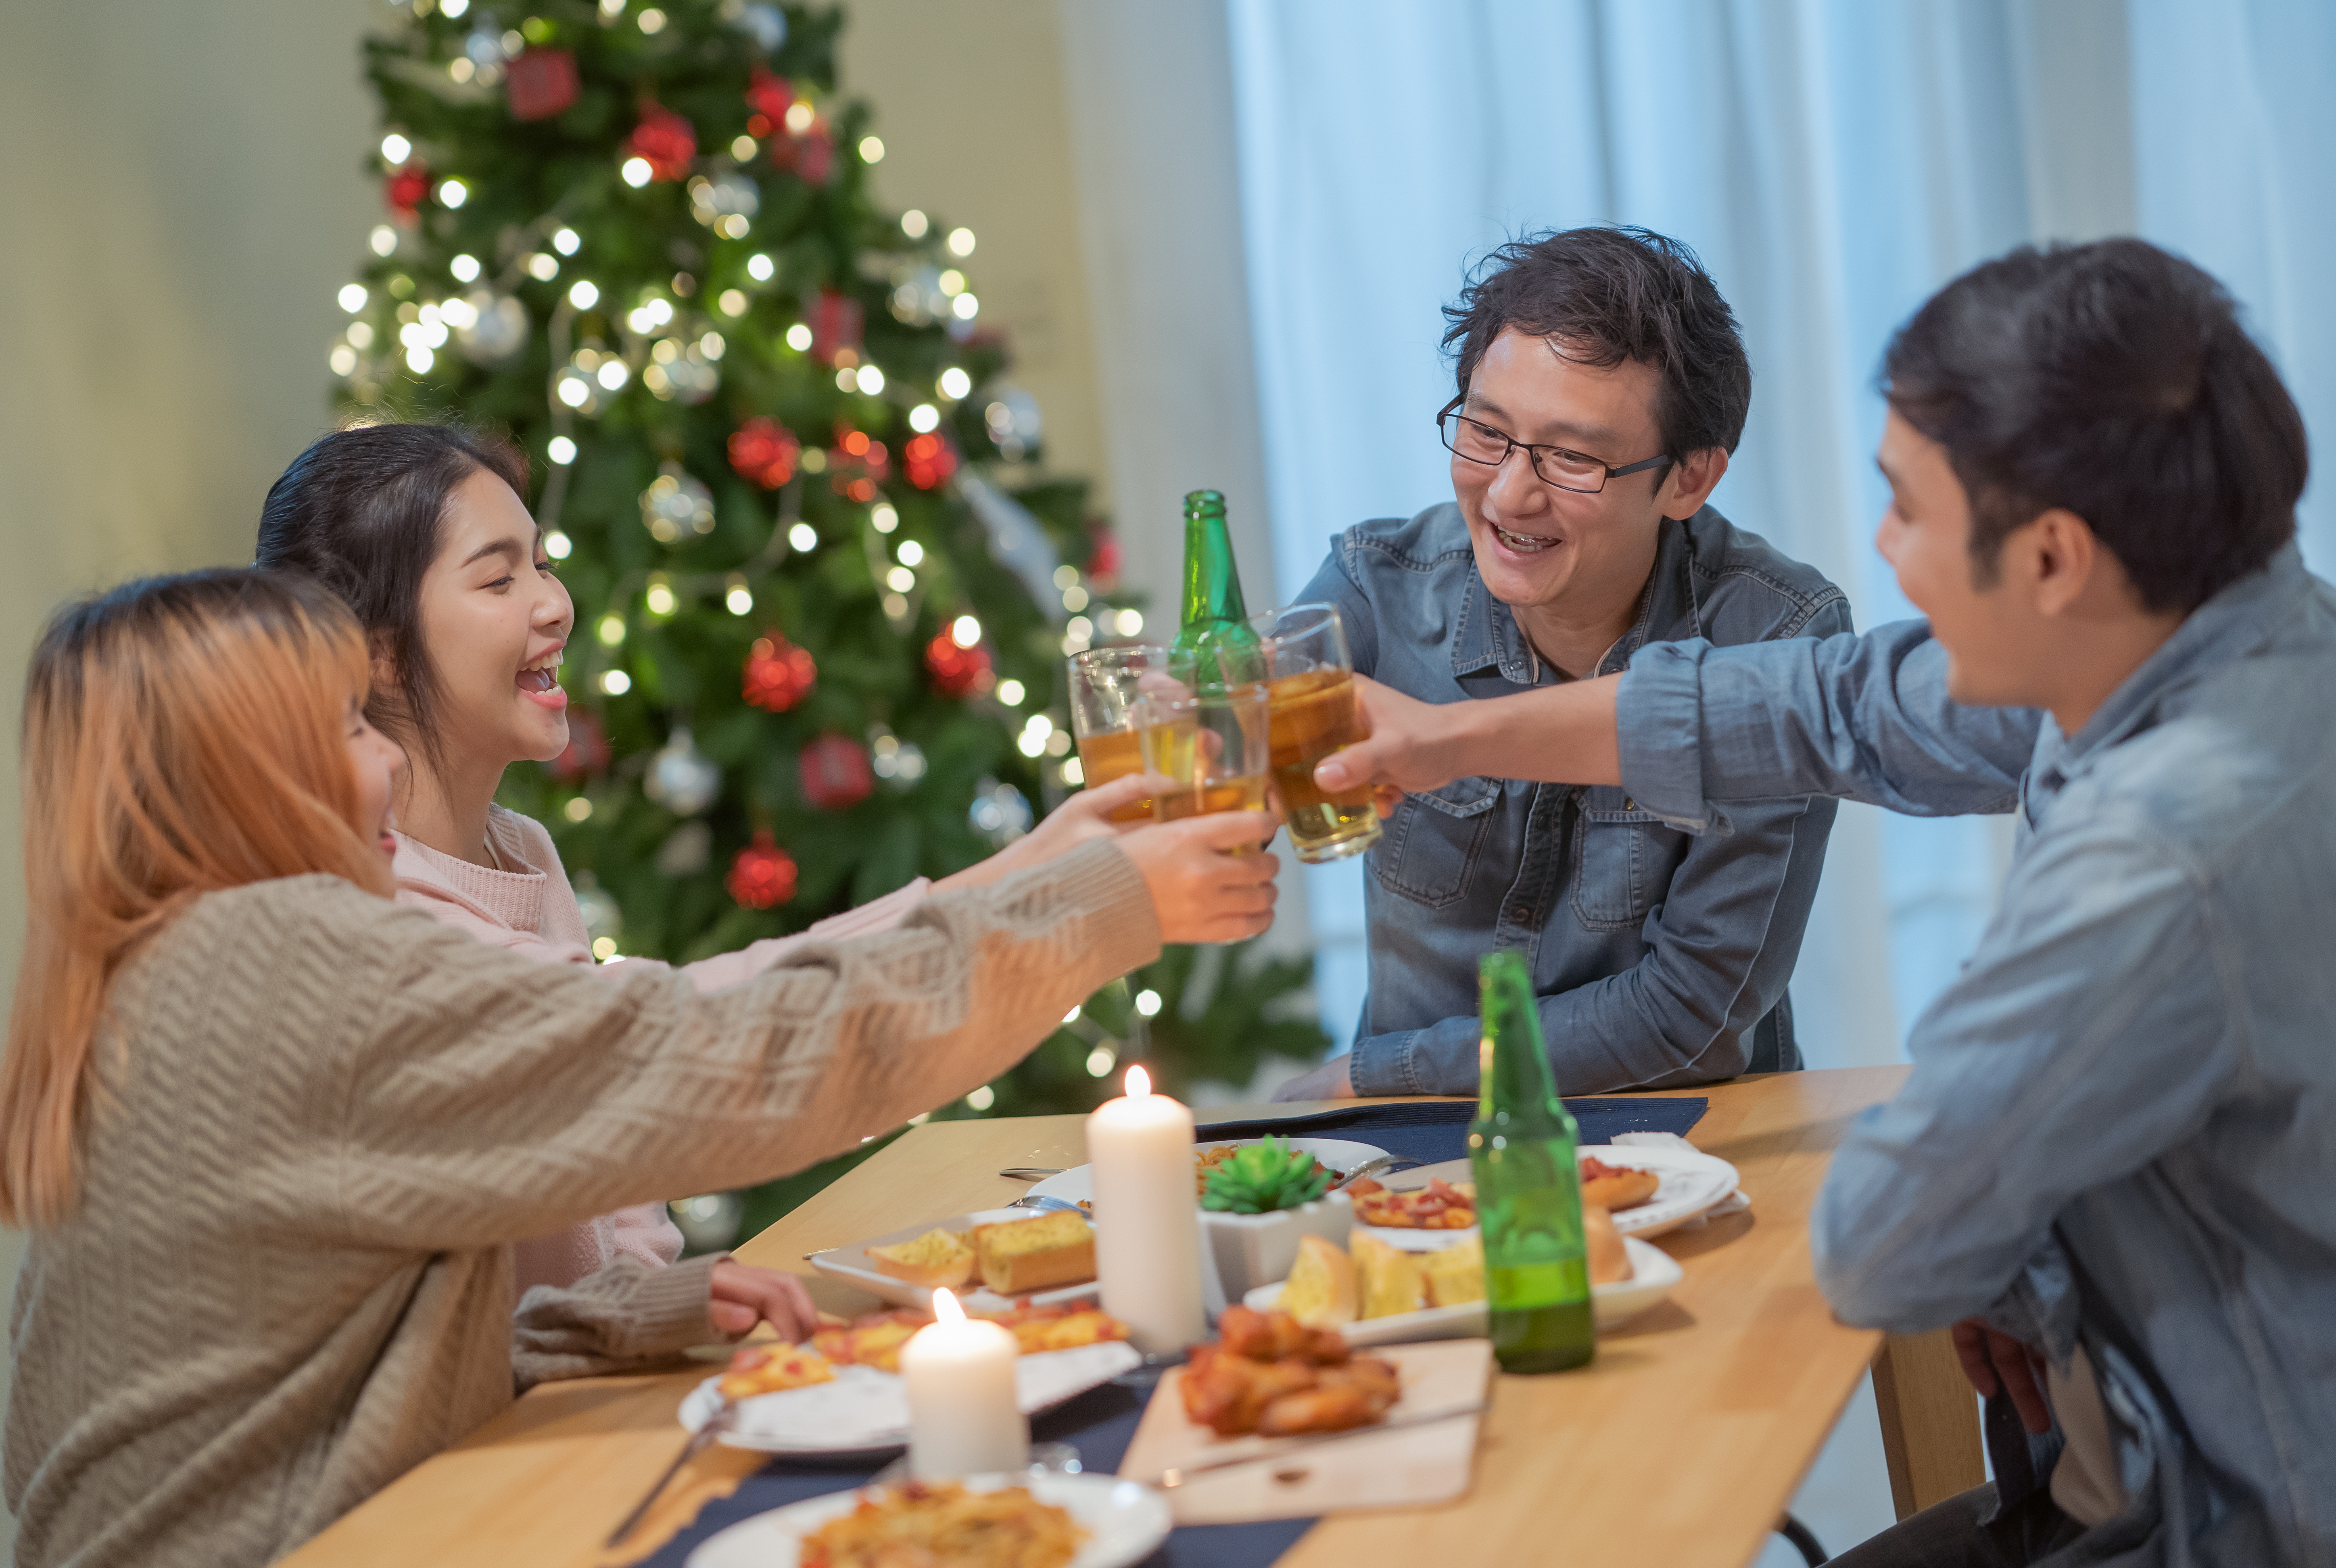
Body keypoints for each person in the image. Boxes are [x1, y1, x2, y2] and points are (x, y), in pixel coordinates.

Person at [1312, 239, 2336, 1565]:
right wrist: (1448, 741)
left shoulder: (2156, 861)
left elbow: (1887, 1241)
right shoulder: (2251, 629)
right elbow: (1824, 704)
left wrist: (1994, 1231)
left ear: (2050, 558)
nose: (1882, 547)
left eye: (1908, 506)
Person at [0, 569, 1277, 1568]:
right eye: (345, 726)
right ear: (247, 772)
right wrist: (1100, 907)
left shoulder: (149, 971)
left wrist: (595, 1324)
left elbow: (276, 1373)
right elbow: (726, 1063)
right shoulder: (285, 963)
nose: (386, 758)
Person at [254, 423, 1155, 1315]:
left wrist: (1046, 857)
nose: (554, 603)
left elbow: (619, 1190)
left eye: (542, 562)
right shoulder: (376, 911)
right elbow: (678, 1056)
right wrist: (1075, 902)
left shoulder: (519, 847)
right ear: (372, 649)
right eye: (498, 578)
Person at [1273, 226, 1849, 1102]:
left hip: (1684, 1136)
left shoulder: (1776, 634)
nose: (1509, 495)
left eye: (1572, 458)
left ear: (1690, 479)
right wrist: (1210, 733)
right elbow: (1236, 723)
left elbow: (1692, 1017)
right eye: (1486, 433)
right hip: (1420, 1162)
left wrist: (1378, 1073)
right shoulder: (1378, 585)